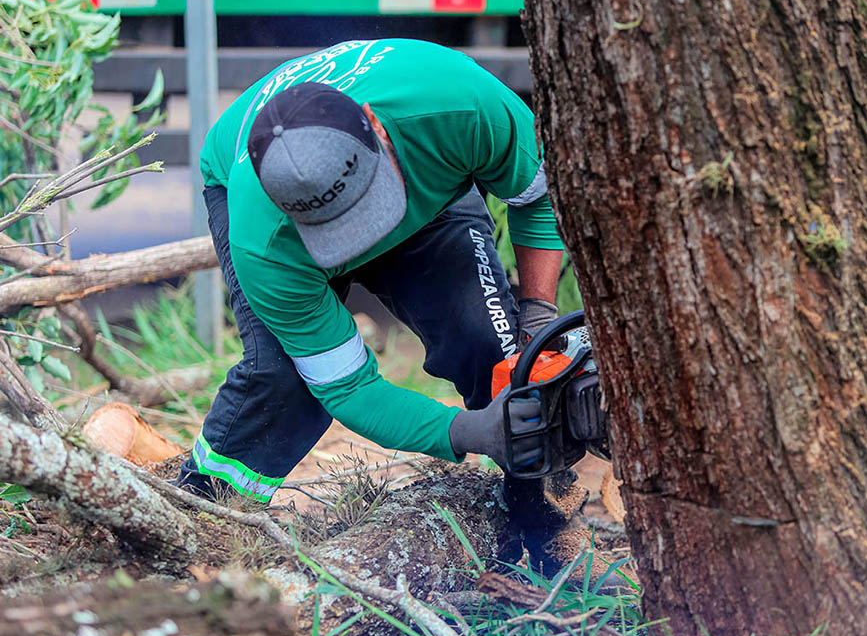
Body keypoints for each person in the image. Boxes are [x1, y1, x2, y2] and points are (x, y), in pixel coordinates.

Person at [175, 38, 591, 575]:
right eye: (341, 231)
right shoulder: (265, 243)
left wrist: (537, 313)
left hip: (427, 189)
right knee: (282, 380)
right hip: (280, 216)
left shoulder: (459, 105)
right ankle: (204, 523)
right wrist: (464, 431)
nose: (366, 241)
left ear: (377, 126)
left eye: (368, 210)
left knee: (495, 343)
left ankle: (544, 525)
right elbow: (346, 387)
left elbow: (536, 195)